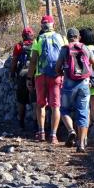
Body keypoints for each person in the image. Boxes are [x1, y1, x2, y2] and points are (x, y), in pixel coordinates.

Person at [55, 27, 94, 153]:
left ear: (67, 37)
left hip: (68, 86)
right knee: (83, 113)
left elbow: (57, 67)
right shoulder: (85, 48)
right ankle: (81, 144)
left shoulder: (65, 49)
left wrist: (62, 73)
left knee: (64, 110)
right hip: (84, 85)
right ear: (78, 37)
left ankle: (71, 131)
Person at [29, 15, 66, 144]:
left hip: (40, 75)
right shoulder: (62, 38)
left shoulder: (38, 39)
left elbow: (33, 60)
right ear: (53, 25)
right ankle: (54, 135)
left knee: (40, 104)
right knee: (56, 106)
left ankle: (41, 132)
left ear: (42, 26)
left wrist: (29, 77)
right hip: (57, 75)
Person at [10, 26, 36, 130]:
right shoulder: (36, 44)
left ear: (23, 35)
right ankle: (36, 124)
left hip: (22, 75)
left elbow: (14, 62)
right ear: (32, 35)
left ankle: (21, 122)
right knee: (34, 99)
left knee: (21, 100)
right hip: (34, 74)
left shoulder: (18, 46)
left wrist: (12, 73)